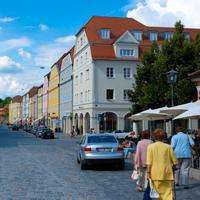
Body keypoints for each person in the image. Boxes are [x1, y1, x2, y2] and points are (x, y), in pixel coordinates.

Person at [147, 128, 177, 200]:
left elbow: (149, 162)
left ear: (154, 137)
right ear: (163, 137)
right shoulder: (168, 147)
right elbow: (175, 162)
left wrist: (148, 173)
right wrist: (173, 169)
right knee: (167, 194)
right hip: (167, 174)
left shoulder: (150, 147)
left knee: (158, 195)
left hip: (155, 174)